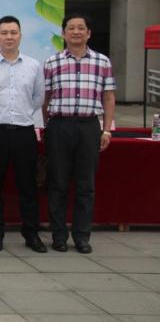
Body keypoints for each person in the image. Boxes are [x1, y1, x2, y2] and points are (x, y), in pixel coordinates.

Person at [43, 13, 116, 254]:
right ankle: (59, 236)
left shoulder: (102, 62)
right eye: (71, 28)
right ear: (63, 33)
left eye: (81, 28)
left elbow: (108, 97)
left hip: (88, 127)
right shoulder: (52, 62)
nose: (76, 32)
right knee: (58, 183)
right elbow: (46, 98)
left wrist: (106, 129)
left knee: (86, 185)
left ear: (89, 33)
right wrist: (47, 125)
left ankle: (82, 236)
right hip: (59, 126)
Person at [0, 16, 46, 253]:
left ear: (20, 36)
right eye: (4, 32)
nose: (9, 37)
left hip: (24, 133)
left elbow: (38, 98)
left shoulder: (33, 66)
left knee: (28, 186)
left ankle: (31, 234)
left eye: (13, 32)